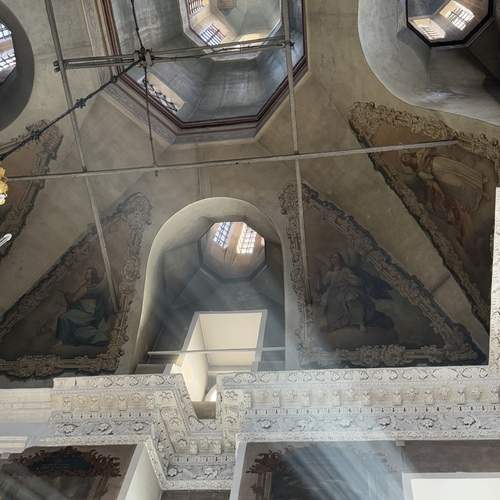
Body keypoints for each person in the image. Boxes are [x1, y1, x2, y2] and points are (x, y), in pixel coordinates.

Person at [400, 150, 489, 243]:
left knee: (460, 169)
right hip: (439, 174)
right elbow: (432, 182)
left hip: (439, 161)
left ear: (408, 154)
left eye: (405, 156)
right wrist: (440, 193)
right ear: (407, 164)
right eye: (404, 160)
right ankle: (480, 193)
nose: (406, 158)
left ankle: (480, 179)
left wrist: (424, 158)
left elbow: (429, 150)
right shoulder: (419, 172)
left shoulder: (419, 154)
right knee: (459, 183)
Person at [56, 267, 111, 346]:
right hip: (91, 312)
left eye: (88, 273)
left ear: (92, 275)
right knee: (76, 328)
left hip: (85, 313)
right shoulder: (94, 286)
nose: (86, 274)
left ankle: (61, 340)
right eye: (86, 272)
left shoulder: (86, 288)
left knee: (63, 317)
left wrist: (67, 295)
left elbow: (72, 300)